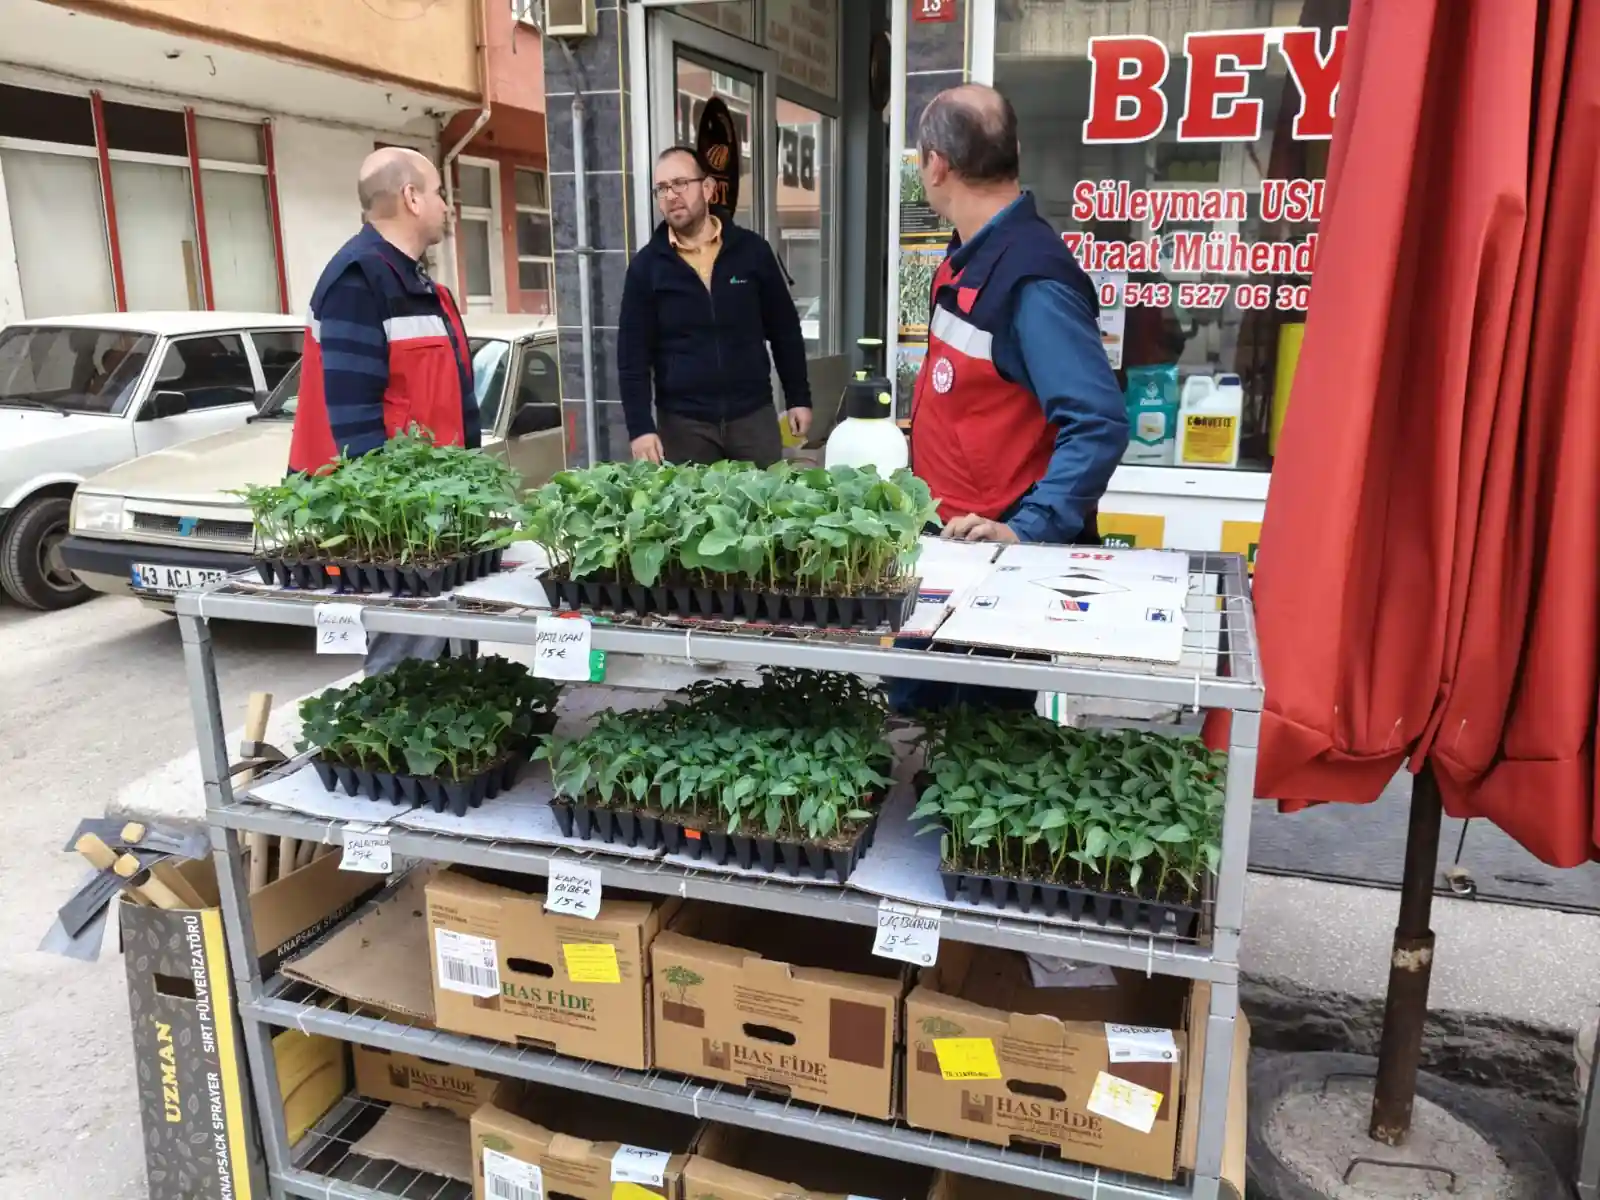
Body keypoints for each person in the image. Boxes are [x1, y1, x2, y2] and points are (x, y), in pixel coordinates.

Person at [895, 84, 1130, 711]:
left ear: (937, 165)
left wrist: (1027, 531)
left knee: (975, 759)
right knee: (913, 727)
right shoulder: (969, 255)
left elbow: (1098, 422)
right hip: (946, 549)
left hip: (996, 571)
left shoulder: (1031, 278)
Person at [288, 145, 478, 674]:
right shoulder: (358, 280)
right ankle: (399, 759)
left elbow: (449, 398)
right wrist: (392, 536)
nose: (448, 205)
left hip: (438, 512)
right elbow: (352, 422)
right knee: (405, 663)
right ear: (412, 198)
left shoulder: (419, 286)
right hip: (399, 529)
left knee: (446, 658)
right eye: (440, 192)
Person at [618, 146, 811, 468]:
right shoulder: (646, 269)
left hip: (753, 418)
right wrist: (640, 427)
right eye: (662, 188)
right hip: (684, 427)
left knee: (765, 512)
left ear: (707, 188)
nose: (671, 195)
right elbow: (632, 357)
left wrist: (798, 398)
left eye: (680, 183)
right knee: (693, 517)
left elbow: (784, 330)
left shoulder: (752, 252)